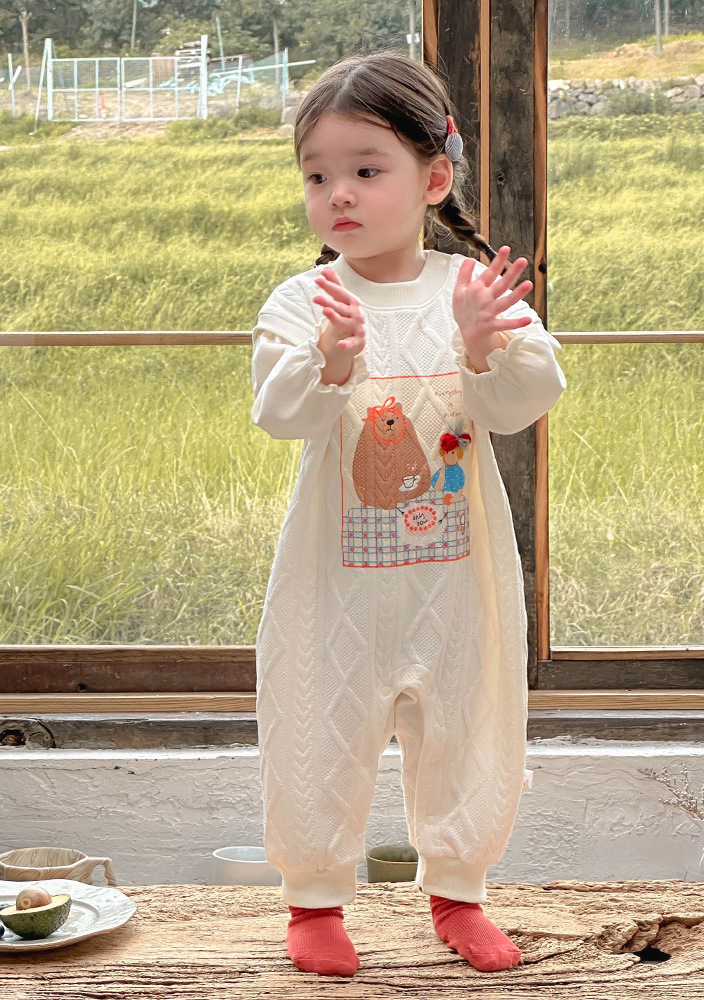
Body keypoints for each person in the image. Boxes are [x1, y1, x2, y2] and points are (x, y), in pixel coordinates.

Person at [250, 52, 566, 978]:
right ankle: (313, 901)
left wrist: (480, 346)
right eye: (317, 175)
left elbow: (523, 401)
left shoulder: (473, 292)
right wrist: (335, 361)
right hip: (332, 583)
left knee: (469, 722)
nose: (337, 193)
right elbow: (281, 415)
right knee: (318, 721)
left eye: (364, 169)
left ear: (434, 178)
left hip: (456, 577)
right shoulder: (303, 302)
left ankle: (458, 891)